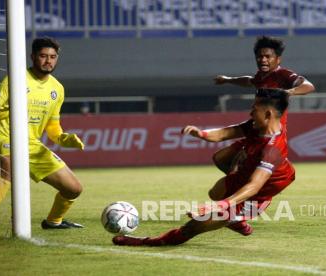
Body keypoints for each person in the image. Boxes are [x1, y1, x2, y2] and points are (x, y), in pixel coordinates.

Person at [113, 88, 295, 246]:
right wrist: (200, 133)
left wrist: (216, 207)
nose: (250, 113)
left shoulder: (272, 150)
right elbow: (224, 133)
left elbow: (254, 187)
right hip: (245, 175)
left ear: (269, 114)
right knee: (215, 190)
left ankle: (144, 241)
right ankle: (233, 221)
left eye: (254, 109)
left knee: (191, 228)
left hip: (254, 197)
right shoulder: (258, 125)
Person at [0, 37, 85, 237]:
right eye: (43, 56)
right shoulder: (16, 78)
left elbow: (53, 128)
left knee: (73, 188)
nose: (48, 61)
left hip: (31, 143)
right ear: (33, 57)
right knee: (10, 171)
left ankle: (53, 222)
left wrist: (65, 139)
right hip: (4, 134)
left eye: (52, 57)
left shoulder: (57, 89)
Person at [213, 35, 315, 175]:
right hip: (256, 131)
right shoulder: (260, 77)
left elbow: (308, 86)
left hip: (270, 136)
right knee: (221, 159)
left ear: (278, 59)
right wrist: (228, 80)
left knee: (234, 165)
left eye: (268, 56)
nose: (263, 60)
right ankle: (245, 186)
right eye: (260, 57)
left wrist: (289, 92)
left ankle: (252, 188)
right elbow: (249, 81)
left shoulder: (283, 75)